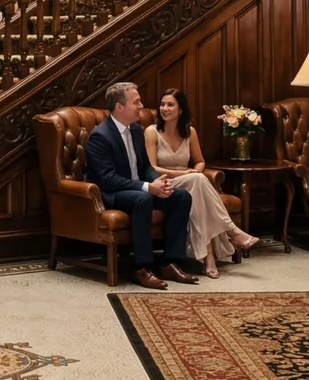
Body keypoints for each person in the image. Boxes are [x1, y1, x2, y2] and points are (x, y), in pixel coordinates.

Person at [83, 81, 196, 289]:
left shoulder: (136, 130)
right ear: (120, 107)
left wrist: (158, 181)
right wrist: (147, 187)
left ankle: (170, 262)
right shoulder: (100, 136)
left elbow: (145, 167)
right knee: (142, 199)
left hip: (138, 188)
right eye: (136, 102)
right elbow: (108, 178)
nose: (141, 106)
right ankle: (141, 267)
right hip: (112, 192)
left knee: (181, 197)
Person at [145, 89, 257, 277]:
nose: (164, 108)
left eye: (170, 104)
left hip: (190, 182)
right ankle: (232, 231)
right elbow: (151, 168)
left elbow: (200, 161)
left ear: (181, 109)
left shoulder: (190, 132)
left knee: (198, 187)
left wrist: (195, 171)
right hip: (164, 182)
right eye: (162, 104)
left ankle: (209, 257)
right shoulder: (151, 131)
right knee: (197, 180)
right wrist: (184, 173)